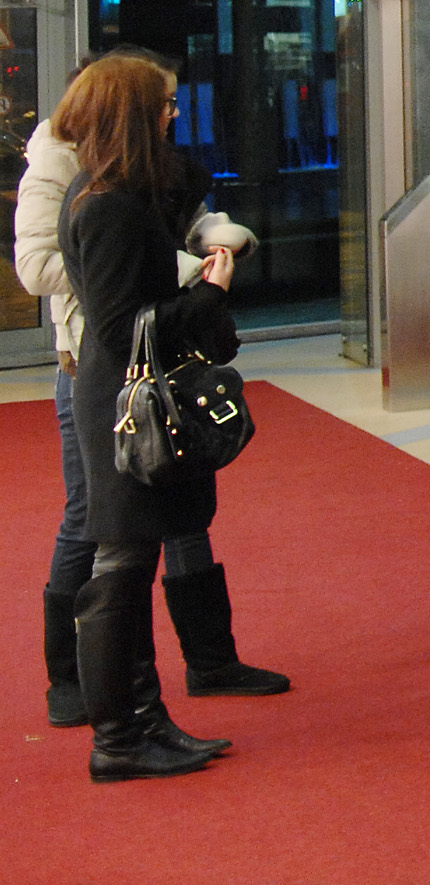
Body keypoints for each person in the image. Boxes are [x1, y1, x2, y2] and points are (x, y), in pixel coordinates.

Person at [18, 51, 280, 729]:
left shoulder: (137, 179)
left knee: (166, 526)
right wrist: (197, 281)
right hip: (112, 377)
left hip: (151, 370)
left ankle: (189, 676)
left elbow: (182, 223)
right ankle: (97, 702)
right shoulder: (88, 188)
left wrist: (211, 246)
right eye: (163, 102)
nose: (175, 112)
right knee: (108, 539)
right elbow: (69, 285)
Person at [55, 54, 244, 781]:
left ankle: (142, 720)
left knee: (129, 562)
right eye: (162, 105)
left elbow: (184, 185)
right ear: (133, 114)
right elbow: (118, 328)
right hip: (124, 404)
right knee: (121, 567)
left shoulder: (114, 191)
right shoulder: (106, 204)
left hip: (124, 398)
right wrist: (207, 293)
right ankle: (118, 737)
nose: (174, 113)